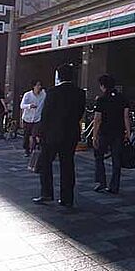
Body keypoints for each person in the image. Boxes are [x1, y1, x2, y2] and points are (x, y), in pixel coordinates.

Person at [33, 64, 86, 207]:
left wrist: (40, 132)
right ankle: (67, 198)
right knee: (67, 165)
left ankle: (47, 193)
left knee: (46, 163)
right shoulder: (80, 93)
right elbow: (80, 113)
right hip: (71, 134)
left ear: (59, 76)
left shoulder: (52, 92)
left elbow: (46, 114)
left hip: (52, 134)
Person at [92, 74, 130, 194]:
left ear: (103, 86)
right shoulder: (122, 98)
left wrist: (94, 135)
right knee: (116, 159)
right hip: (118, 132)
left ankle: (101, 182)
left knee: (99, 156)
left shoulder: (101, 99)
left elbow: (97, 119)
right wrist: (128, 132)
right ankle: (114, 186)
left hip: (104, 132)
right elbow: (126, 116)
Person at [20, 80, 46, 156]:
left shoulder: (43, 95)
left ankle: (33, 149)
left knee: (35, 134)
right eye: (37, 85)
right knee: (26, 135)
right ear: (33, 86)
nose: (39, 87)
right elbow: (22, 105)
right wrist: (29, 106)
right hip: (27, 118)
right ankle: (26, 149)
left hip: (37, 118)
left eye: (40, 85)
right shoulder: (27, 95)